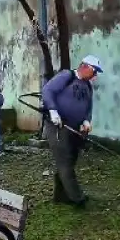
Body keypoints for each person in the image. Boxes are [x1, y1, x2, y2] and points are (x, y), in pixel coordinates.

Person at [41, 55, 102, 208]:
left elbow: (89, 106)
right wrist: (53, 111)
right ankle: (77, 198)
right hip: (58, 126)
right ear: (84, 66)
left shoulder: (87, 86)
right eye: (94, 72)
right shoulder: (66, 76)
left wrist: (86, 120)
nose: (95, 76)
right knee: (64, 161)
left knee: (70, 160)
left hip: (75, 129)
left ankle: (61, 195)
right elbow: (48, 90)